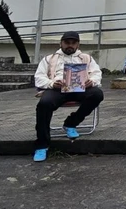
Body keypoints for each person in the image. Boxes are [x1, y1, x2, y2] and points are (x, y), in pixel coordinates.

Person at [33, 31, 103, 162]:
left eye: (73, 43)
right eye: (67, 42)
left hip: (80, 88)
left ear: (78, 44)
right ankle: (42, 145)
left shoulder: (86, 58)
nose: (70, 45)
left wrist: (91, 81)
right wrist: (52, 83)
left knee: (97, 94)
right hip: (57, 89)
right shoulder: (50, 59)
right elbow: (39, 77)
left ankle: (71, 123)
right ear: (61, 43)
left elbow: (97, 73)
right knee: (44, 104)